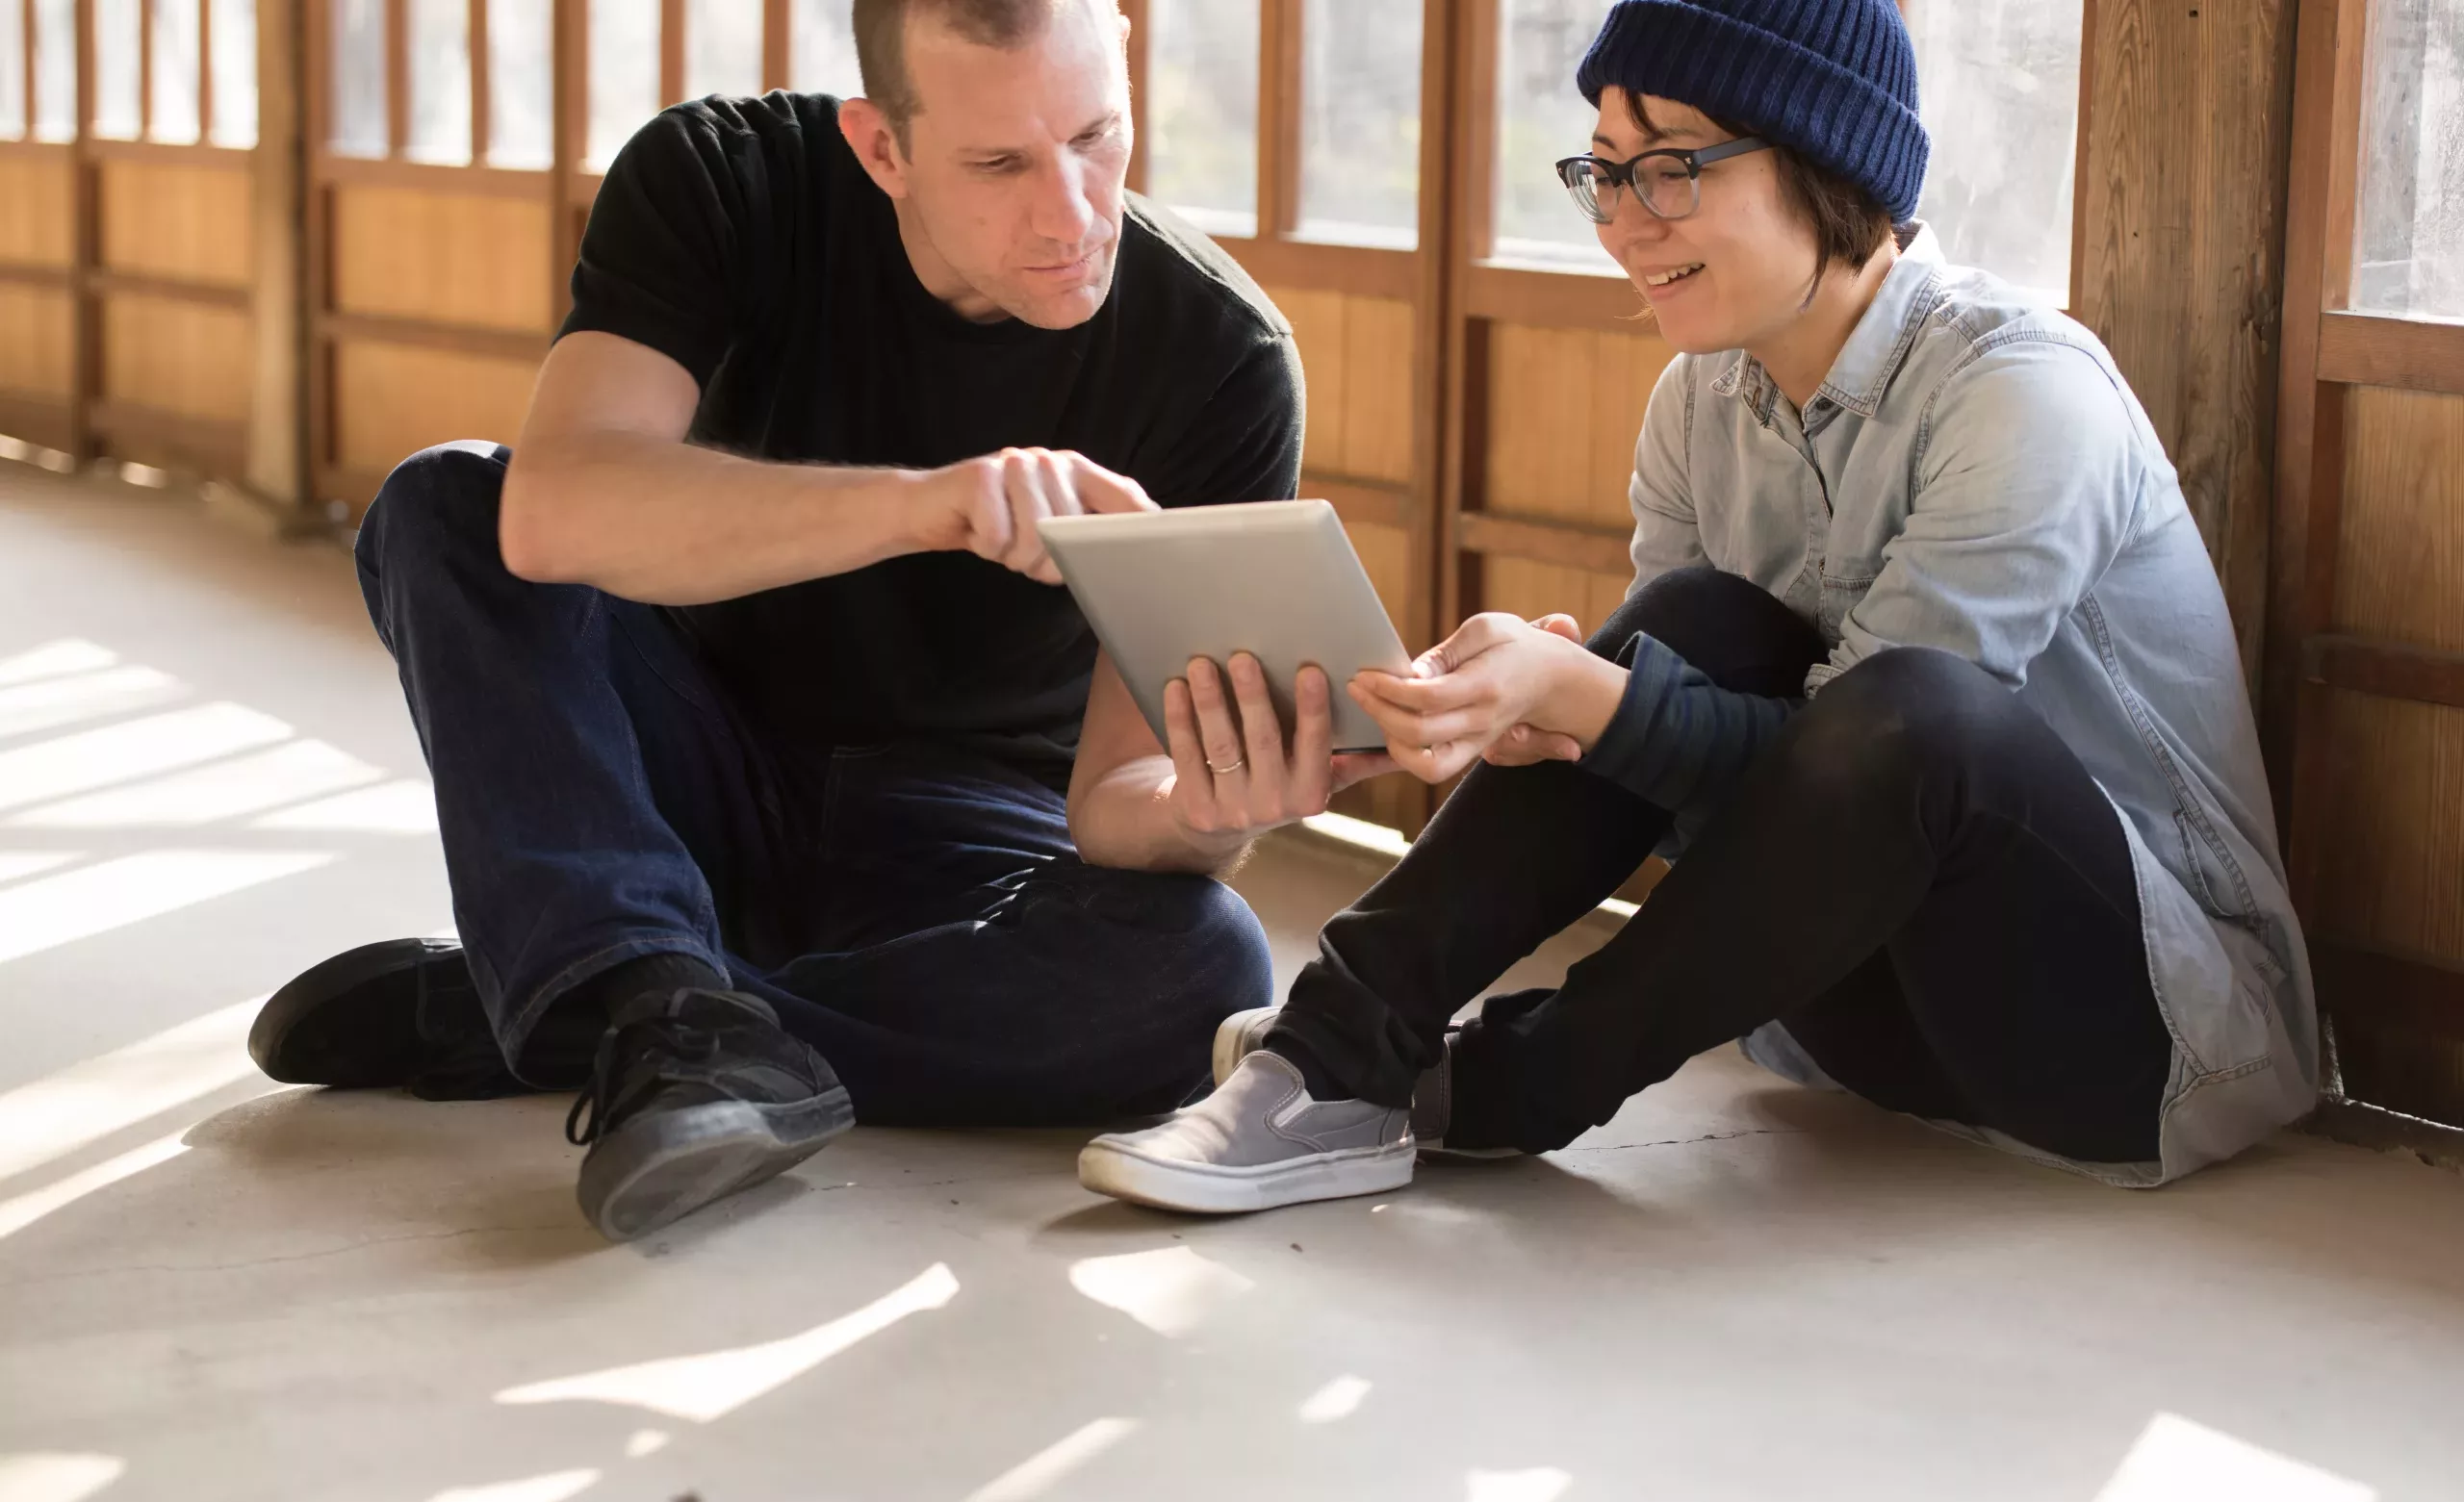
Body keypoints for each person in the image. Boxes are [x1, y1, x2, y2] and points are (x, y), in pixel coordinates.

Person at [1078, 0, 2318, 1215]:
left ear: (1827, 158)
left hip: (2142, 1045)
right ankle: (1331, 1057)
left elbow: (1892, 770)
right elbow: (1733, 808)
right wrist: (1564, 717)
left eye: (1668, 169)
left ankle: (1513, 1088)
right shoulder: (1698, 405)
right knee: (1692, 620)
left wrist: (1601, 703)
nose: (1622, 222)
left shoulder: (2022, 395)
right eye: (1603, 175)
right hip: (1854, 1023)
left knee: (1912, 709)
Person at [249, 0, 1378, 1242]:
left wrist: (1211, 817)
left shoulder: (1220, 354)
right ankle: (642, 982)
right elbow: (554, 511)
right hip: (682, 760)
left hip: (963, 834)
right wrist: (926, 505)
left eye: (1096, 137)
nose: (1069, 214)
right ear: (880, 147)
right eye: (997, 163)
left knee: (1200, 966)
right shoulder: (723, 178)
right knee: (448, 502)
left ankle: (620, 998)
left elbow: (1120, 797)